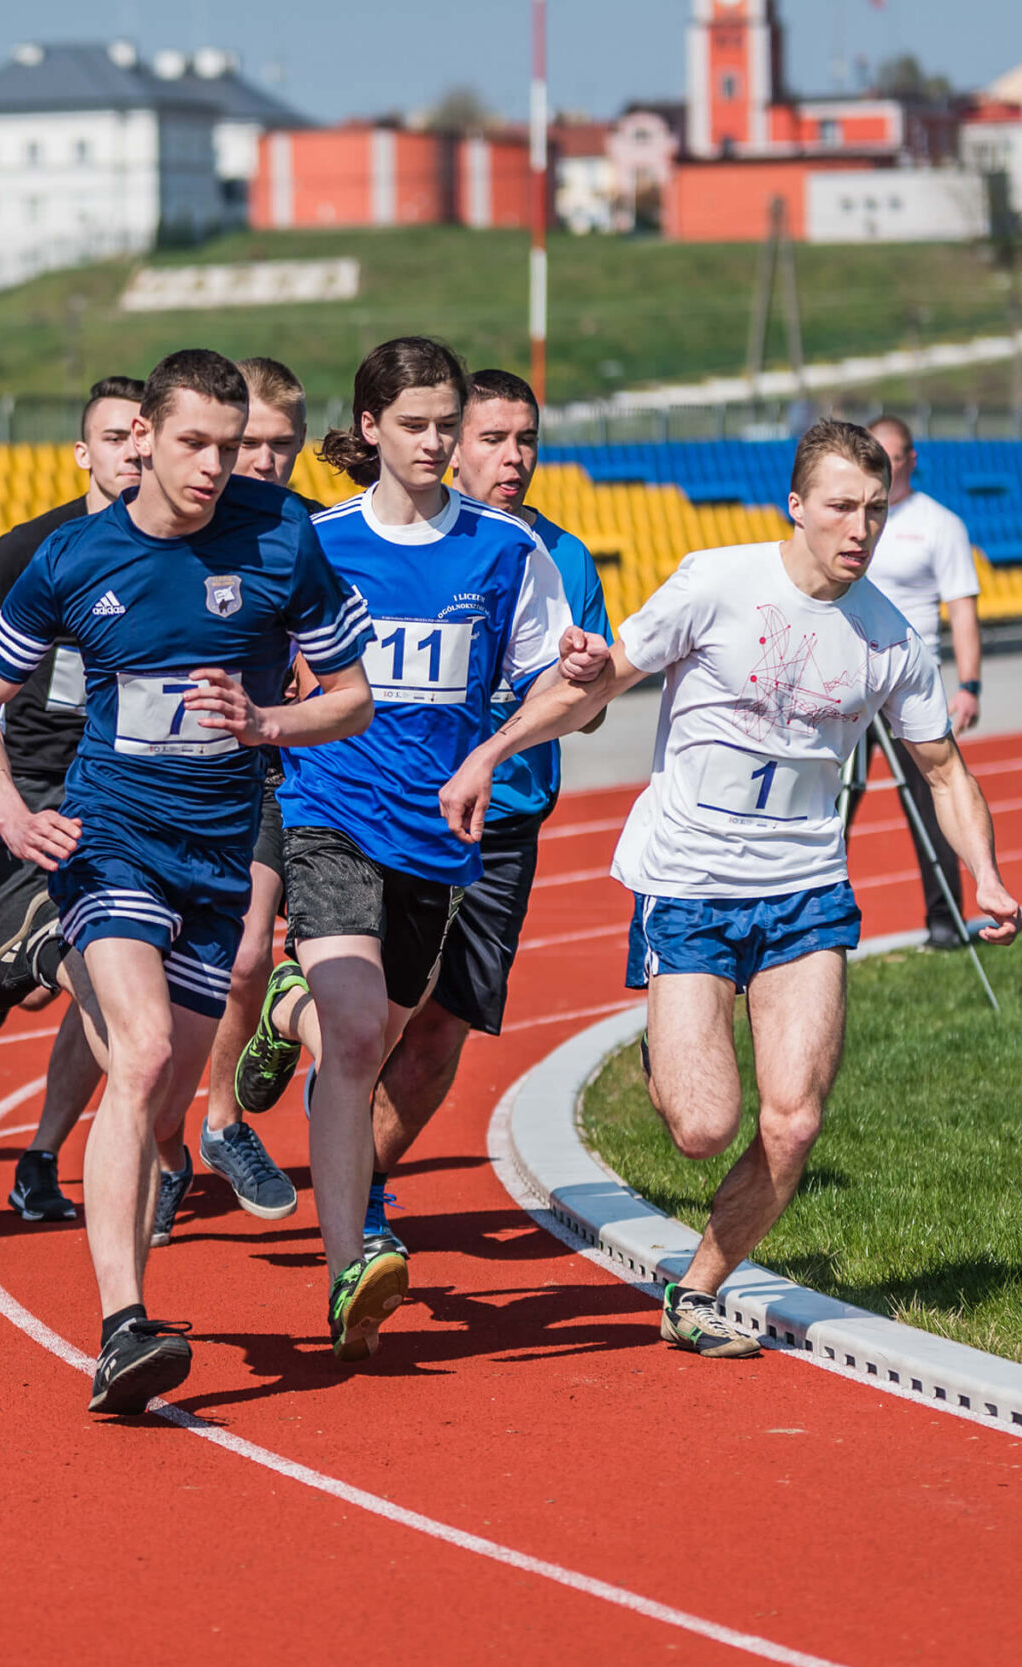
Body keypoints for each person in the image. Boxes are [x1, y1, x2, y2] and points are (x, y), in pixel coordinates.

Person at [458, 419, 1022, 1359]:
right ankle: (668, 1046)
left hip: (805, 890)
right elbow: (599, 683)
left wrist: (989, 876)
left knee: (793, 1119)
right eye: (841, 506)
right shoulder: (715, 582)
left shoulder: (889, 634)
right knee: (702, 1126)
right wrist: (492, 751)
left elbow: (944, 770)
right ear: (795, 505)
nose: (859, 528)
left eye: (876, 510)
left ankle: (697, 1289)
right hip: (688, 883)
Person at [0, 348, 374, 1415]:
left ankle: (135, 1259)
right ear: (142, 436)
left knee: (169, 1093)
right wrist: (5, 807)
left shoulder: (282, 538)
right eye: (194, 443)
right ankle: (121, 1327)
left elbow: (355, 696)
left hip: (219, 857)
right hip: (109, 838)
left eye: (230, 447)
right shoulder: (68, 557)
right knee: (137, 1057)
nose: (214, 465)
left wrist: (270, 721)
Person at [229, 339, 575, 1362]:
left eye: (443, 424)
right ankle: (350, 1267)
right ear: (369, 427)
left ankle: (281, 1010)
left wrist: (548, 704)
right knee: (350, 1035)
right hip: (330, 813)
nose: (432, 442)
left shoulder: (507, 552)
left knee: (373, 1034)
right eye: (414, 424)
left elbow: (561, 684)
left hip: (438, 840)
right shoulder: (318, 543)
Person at [368, 368, 612, 1258]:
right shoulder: (397, 544)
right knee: (380, 1010)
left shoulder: (566, 559)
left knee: (446, 1024)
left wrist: (581, 679)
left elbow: (594, 704)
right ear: (449, 444)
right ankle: (291, 1017)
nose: (513, 457)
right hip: (401, 813)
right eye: (493, 439)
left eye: (527, 440)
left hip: (505, 825)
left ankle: (361, 1194)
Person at [0, 375, 146, 1225]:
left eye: (145, 437)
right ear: (84, 452)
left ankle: (40, 1155)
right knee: (95, 978)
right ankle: (150, 1157)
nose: (132, 453)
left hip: (127, 792)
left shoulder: (180, 551)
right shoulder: (33, 546)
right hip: (30, 791)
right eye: (114, 438)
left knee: (100, 976)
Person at [182, 355, 316, 1235]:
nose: (266, 462)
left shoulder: (306, 529)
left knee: (241, 960)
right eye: (252, 444)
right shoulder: (179, 519)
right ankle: (161, 1149)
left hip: (273, 772)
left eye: (284, 445)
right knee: (150, 993)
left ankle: (222, 1123)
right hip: (170, 780)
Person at [842, 416, 982, 949]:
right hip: (849, 681)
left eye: (893, 455)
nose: (883, 462)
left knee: (932, 800)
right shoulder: (845, 520)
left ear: (911, 460)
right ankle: (813, 920)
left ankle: (945, 922)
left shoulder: (940, 524)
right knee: (831, 804)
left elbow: (963, 610)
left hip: (909, 685)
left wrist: (970, 685)